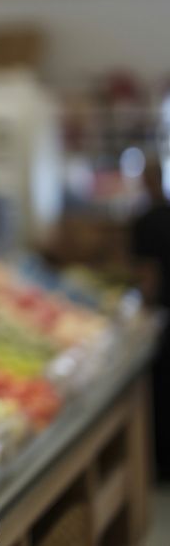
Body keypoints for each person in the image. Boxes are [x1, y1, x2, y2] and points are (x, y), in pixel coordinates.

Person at [130, 154, 170, 481]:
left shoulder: (143, 221)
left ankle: (160, 462)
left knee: (160, 388)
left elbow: (148, 274)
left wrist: (144, 315)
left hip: (161, 314)